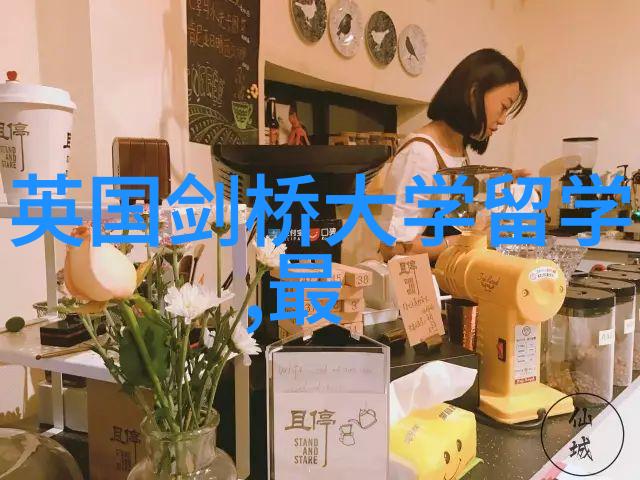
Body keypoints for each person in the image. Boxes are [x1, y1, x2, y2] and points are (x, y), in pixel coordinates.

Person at [379, 48, 530, 262]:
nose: (503, 119)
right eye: (503, 107)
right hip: (418, 281)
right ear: (474, 94)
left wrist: (495, 187)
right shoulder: (420, 154)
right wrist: (468, 241)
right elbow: (394, 248)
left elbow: (451, 208)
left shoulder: (457, 150)